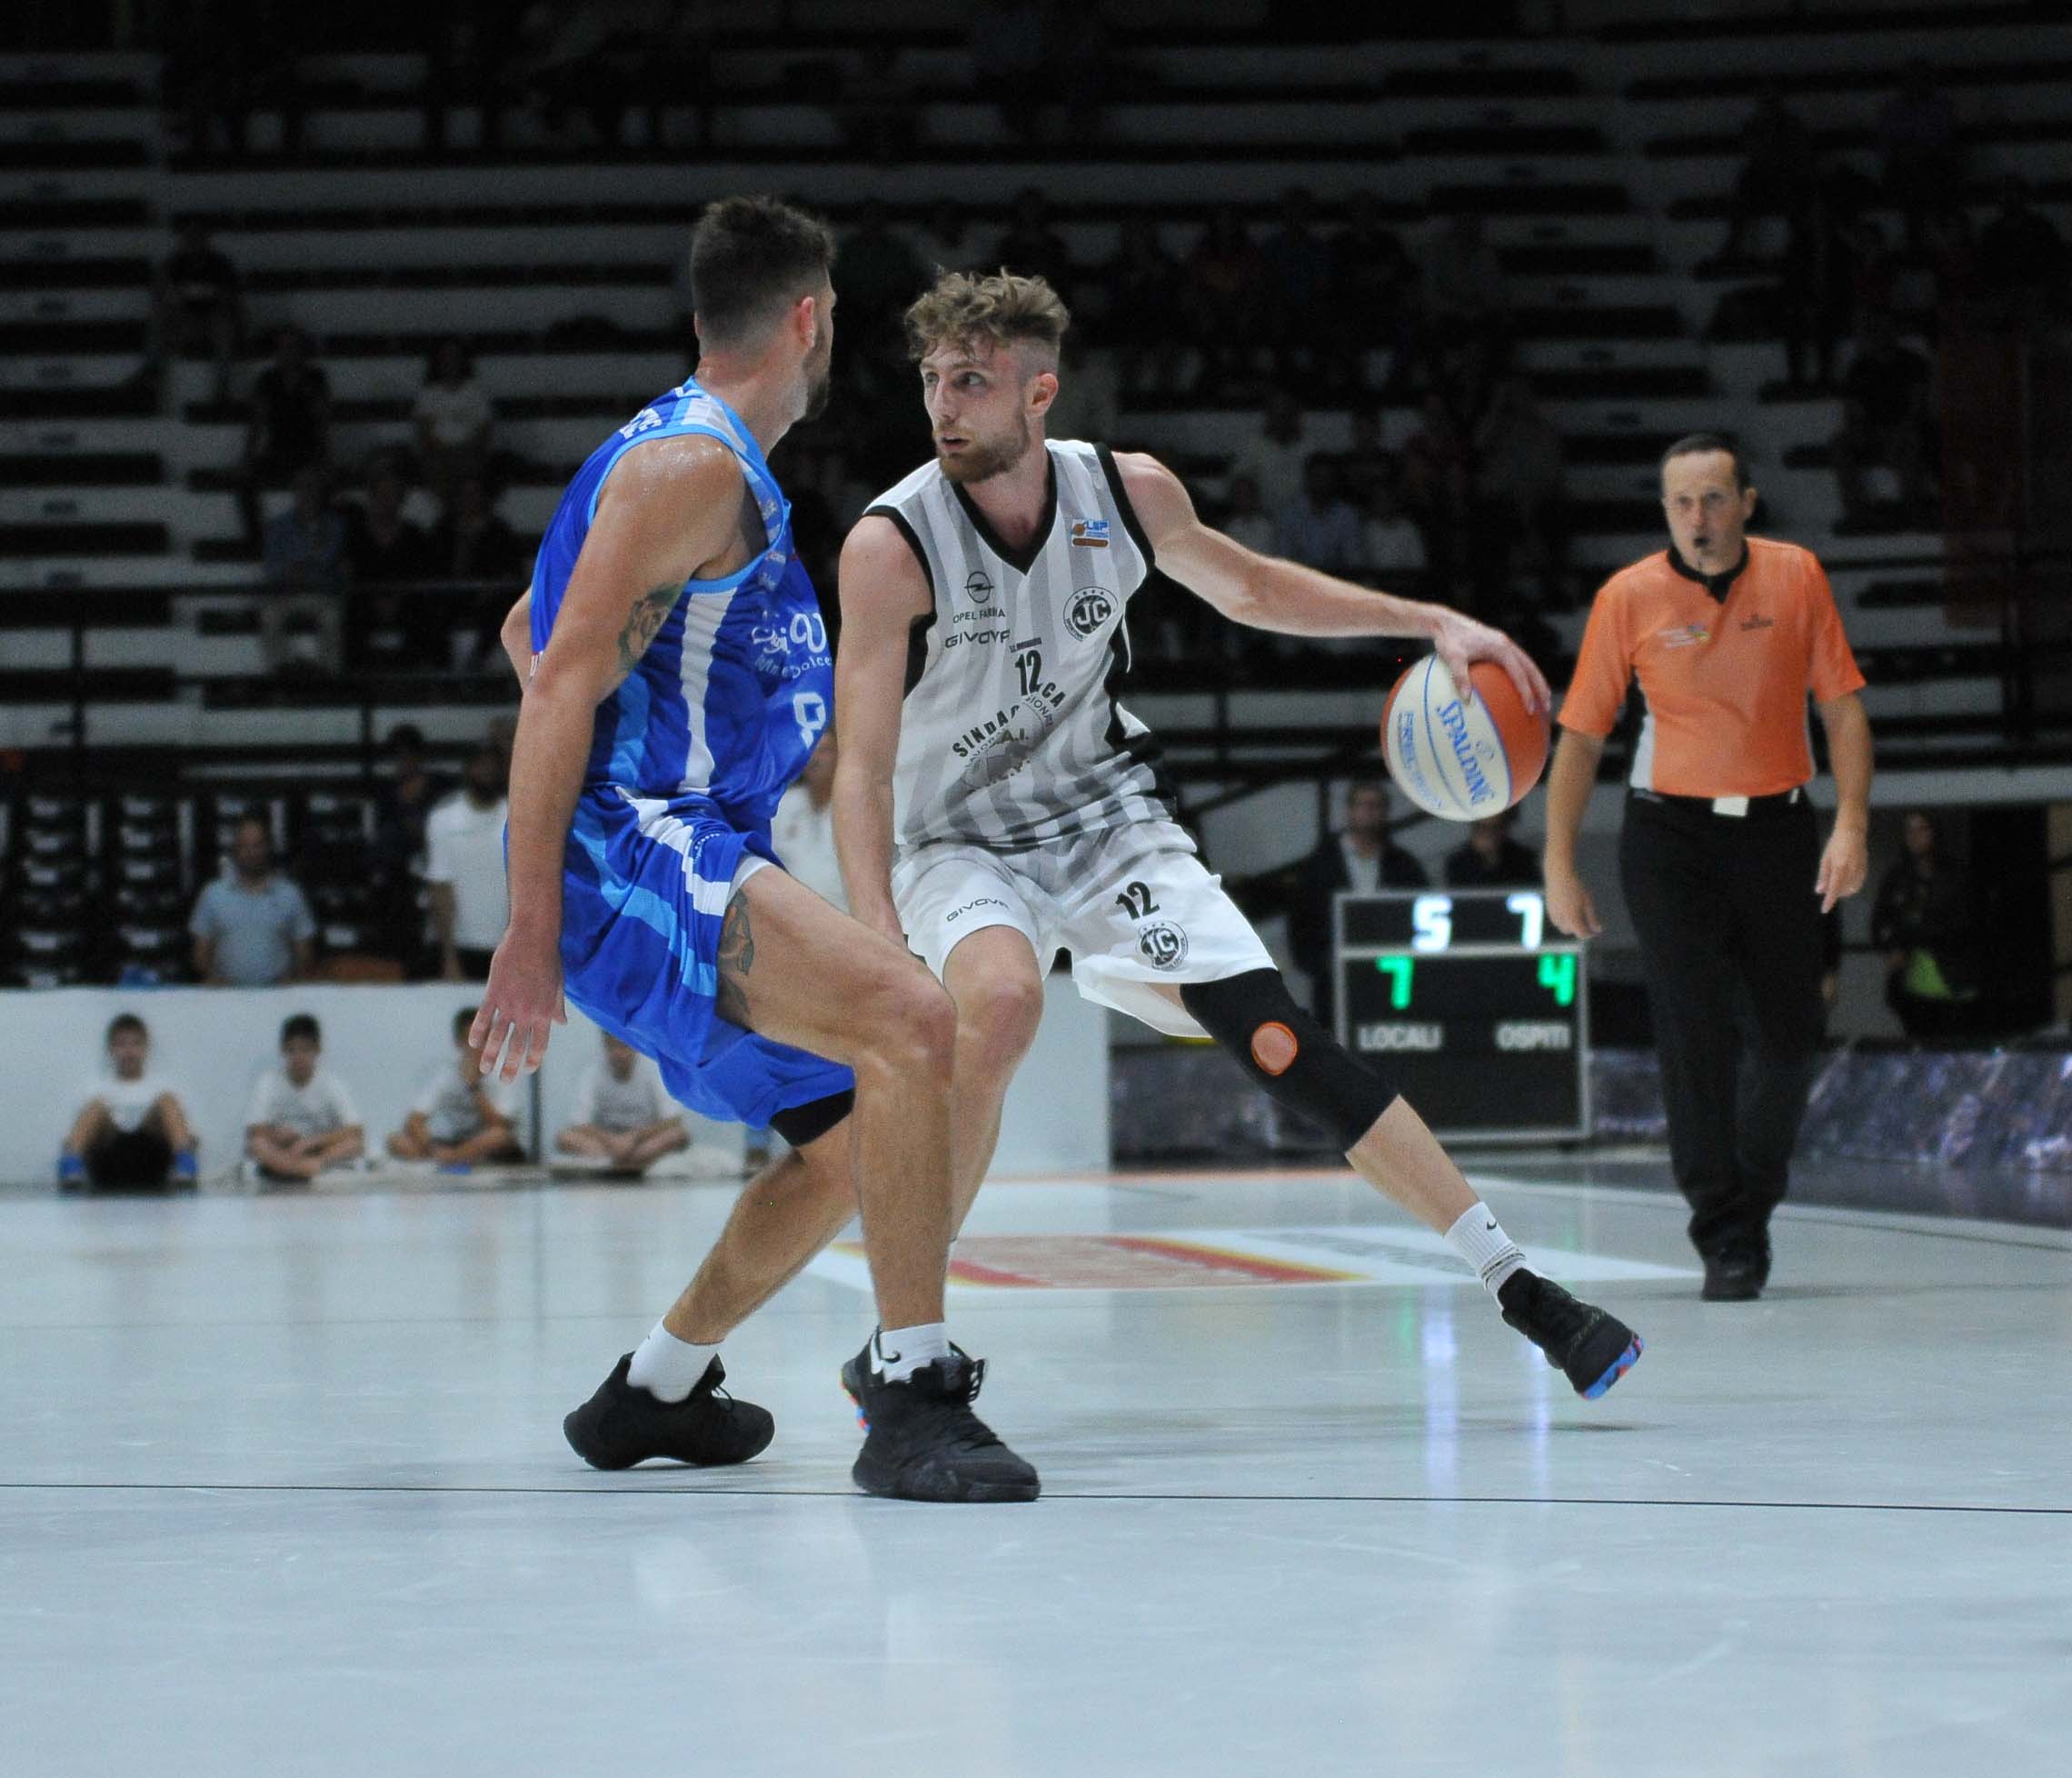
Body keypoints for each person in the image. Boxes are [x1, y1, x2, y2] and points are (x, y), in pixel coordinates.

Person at [820, 267, 1640, 1415]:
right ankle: (909, 1342)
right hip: (955, 834)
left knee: (1277, 1037)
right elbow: (860, 766)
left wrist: (1431, 621)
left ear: (1039, 393)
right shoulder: (891, 543)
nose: (943, 406)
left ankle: (1518, 1282)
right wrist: (874, 930)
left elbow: (1252, 589)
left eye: (970, 382)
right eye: (932, 380)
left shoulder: (1127, 492)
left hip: (1105, 815)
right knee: (999, 1007)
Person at [474, 195, 1036, 1503]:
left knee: (856, 1139)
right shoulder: (691, 467)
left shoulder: (698, 466)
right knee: (914, 1016)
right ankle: (913, 1396)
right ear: (807, 319)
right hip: (640, 848)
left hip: (680, 844)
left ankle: (655, 1390)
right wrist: (536, 925)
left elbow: (523, 629)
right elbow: (554, 683)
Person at [1541, 432, 1873, 1302]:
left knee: (1790, 1040)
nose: (1699, 517)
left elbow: (1842, 711)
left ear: (1747, 503)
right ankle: (1723, 1231)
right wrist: (1558, 862)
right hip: (1669, 838)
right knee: (1695, 1035)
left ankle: (1749, 1202)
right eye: (1682, 502)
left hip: (1778, 831)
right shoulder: (1628, 596)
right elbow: (1581, 738)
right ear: (1665, 511)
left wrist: (1852, 824)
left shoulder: (1797, 576)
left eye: (1715, 499)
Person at [1288, 779, 1429, 1033]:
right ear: (1350, 810)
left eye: (1376, 806)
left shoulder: (1404, 867)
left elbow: (1420, 916)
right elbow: (1301, 922)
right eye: (1363, 805)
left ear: (1386, 812)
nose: (1369, 812)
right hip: (1334, 985)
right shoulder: (1320, 866)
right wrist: (1322, 965)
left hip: (1392, 981)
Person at [59, 1014, 198, 1191]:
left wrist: (187, 1142)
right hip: (109, 1161)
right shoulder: (96, 1089)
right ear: (111, 1049)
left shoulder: (162, 1087)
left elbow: (191, 1138)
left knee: (167, 1101)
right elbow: (70, 1139)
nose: (129, 1051)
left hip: (152, 1159)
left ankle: (185, 1169)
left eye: (135, 1044)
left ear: (146, 1048)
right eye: (122, 1044)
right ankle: (71, 1171)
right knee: (95, 1107)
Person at [1871, 809, 1978, 1038]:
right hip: (1911, 984)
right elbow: (1880, 922)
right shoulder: (1898, 878)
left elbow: (1964, 923)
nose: (1915, 837)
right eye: (1909, 831)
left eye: (1922, 829)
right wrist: (1894, 946)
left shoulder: (1955, 875)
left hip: (1953, 977)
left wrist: (1912, 935)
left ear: (1934, 833)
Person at [1830, 314, 1935, 527]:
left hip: (1904, 429)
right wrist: (1859, 429)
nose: (1879, 336)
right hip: (1872, 432)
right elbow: (1852, 407)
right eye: (1874, 332)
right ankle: (1857, 510)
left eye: (1884, 330)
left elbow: (1918, 405)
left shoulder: (1912, 363)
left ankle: (1912, 506)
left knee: (1912, 441)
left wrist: (1902, 429)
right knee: (1840, 444)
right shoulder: (1860, 368)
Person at [386, 1006, 523, 1165]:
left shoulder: (504, 1072)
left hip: (481, 1142)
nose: (482, 1046)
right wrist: (433, 1148)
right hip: (447, 1141)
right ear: (459, 1042)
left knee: (499, 1137)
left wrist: (474, 1087)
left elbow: (500, 1125)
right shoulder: (446, 1074)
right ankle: (450, 1158)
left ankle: (452, 1159)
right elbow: (414, 1121)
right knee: (396, 1141)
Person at [191, 814, 316, 986]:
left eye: (258, 845)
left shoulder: (290, 895)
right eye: (244, 846)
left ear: (269, 847)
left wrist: (292, 981)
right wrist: (214, 980)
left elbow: (304, 952)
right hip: (226, 996)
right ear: (234, 850)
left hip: (278, 996)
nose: (251, 852)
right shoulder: (213, 894)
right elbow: (200, 953)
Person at [244, 1013, 364, 1183]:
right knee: (257, 1145)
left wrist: (312, 1142)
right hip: (283, 1151)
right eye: (292, 1050)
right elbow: (254, 1130)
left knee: (354, 1144)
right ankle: (298, 1170)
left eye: (305, 1050)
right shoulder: (268, 1082)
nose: (299, 1057)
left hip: (318, 1151)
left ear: (317, 1050)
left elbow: (355, 1130)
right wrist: (275, 1135)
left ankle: (305, 1168)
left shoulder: (331, 1083)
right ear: (283, 1050)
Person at [425, 743, 511, 982]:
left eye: (492, 767)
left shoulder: (517, 819)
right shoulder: (443, 820)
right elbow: (440, 889)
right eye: (481, 766)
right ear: (469, 770)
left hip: (506, 948)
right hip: (459, 948)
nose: (487, 773)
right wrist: (449, 958)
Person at [237, 325, 330, 544]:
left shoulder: (315, 378)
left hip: (307, 453)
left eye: (292, 347)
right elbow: (257, 423)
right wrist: (247, 458)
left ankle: (318, 539)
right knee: (244, 483)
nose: (287, 352)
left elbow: (322, 421)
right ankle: (257, 540)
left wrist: (325, 459)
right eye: (282, 347)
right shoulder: (267, 380)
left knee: (324, 485)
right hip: (277, 452)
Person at [556, 1032, 691, 1174]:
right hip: (607, 1143)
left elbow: (673, 1120)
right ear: (605, 1047)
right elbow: (579, 1123)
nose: (619, 1053)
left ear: (635, 1046)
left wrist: (635, 1137)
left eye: (624, 1047)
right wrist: (611, 1140)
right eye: (613, 1047)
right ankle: (628, 1163)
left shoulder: (653, 1070)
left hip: (642, 1142)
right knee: (565, 1137)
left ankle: (616, 1163)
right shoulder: (593, 1073)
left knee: (678, 1134)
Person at [259, 463, 348, 674]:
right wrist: (297, 565)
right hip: (287, 593)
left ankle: (329, 674)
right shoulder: (278, 526)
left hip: (322, 593)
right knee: (268, 615)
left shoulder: (335, 525)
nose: (307, 493)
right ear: (295, 492)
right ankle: (279, 672)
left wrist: (296, 563)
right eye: (301, 487)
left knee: (333, 618)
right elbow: (271, 566)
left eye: (311, 487)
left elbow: (328, 557)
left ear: (320, 492)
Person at [150, 219, 240, 404]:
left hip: (213, 319)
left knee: (225, 325)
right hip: (184, 320)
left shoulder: (220, 264)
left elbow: (228, 296)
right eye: (190, 236)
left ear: (206, 239)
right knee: (158, 317)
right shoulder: (173, 264)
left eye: (198, 236)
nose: (194, 241)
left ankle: (222, 385)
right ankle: (151, 372)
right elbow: (162, 294)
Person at [770, 726, 847, 912]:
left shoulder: (854, 808)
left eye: (825, 751)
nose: (816, 759)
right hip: (792, 915)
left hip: (845, 914)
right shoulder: (782, 806)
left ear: (840, 755)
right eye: (811, 751)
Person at [412, 339, 495, 511]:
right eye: (445, 357)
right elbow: (424, 431)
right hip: (438, 454)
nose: (450, 362)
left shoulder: (476, 391)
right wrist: (444, 450)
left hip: (470, 453)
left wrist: (464, 449)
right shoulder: (428, 393)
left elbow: (484, 429)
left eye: (455, 357)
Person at [1446, 808, 1538, 888]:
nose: (1489, 835)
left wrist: (1493, 857)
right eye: (1483, 828)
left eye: (1495, 828)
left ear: (1505, 827)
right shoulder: (1457, 862)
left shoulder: (1523, 859)